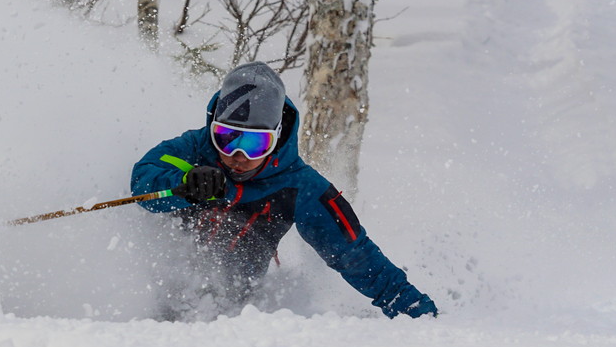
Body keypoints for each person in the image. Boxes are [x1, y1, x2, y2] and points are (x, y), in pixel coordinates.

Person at [131, 62, 437, 319]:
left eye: (255, 143)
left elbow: (355, 254)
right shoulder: (194, 148)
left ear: (276, 138)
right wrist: (184, 184)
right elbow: (143, 180)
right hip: (164, 295)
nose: (238, 156)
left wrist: (415, 311)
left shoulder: (301, 186)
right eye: (226, 138)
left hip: (234, 313)